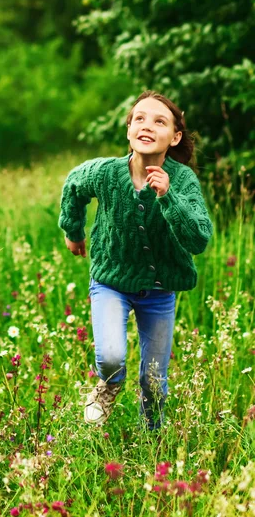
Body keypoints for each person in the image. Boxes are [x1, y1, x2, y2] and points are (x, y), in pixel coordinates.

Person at [59, 90, 213, 430]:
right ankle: (107, 386)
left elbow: (199, 238)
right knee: (112, 357)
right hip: (111, 281)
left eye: (159, 121)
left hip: (159, 292)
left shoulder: (183, 180)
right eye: (139, 118)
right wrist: (73, 231)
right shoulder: (106, 173)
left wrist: (168, 196)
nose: (147, 125)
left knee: (154, 379)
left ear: (174, 137)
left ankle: (152, 439)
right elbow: (73, 185)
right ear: (129, 130)